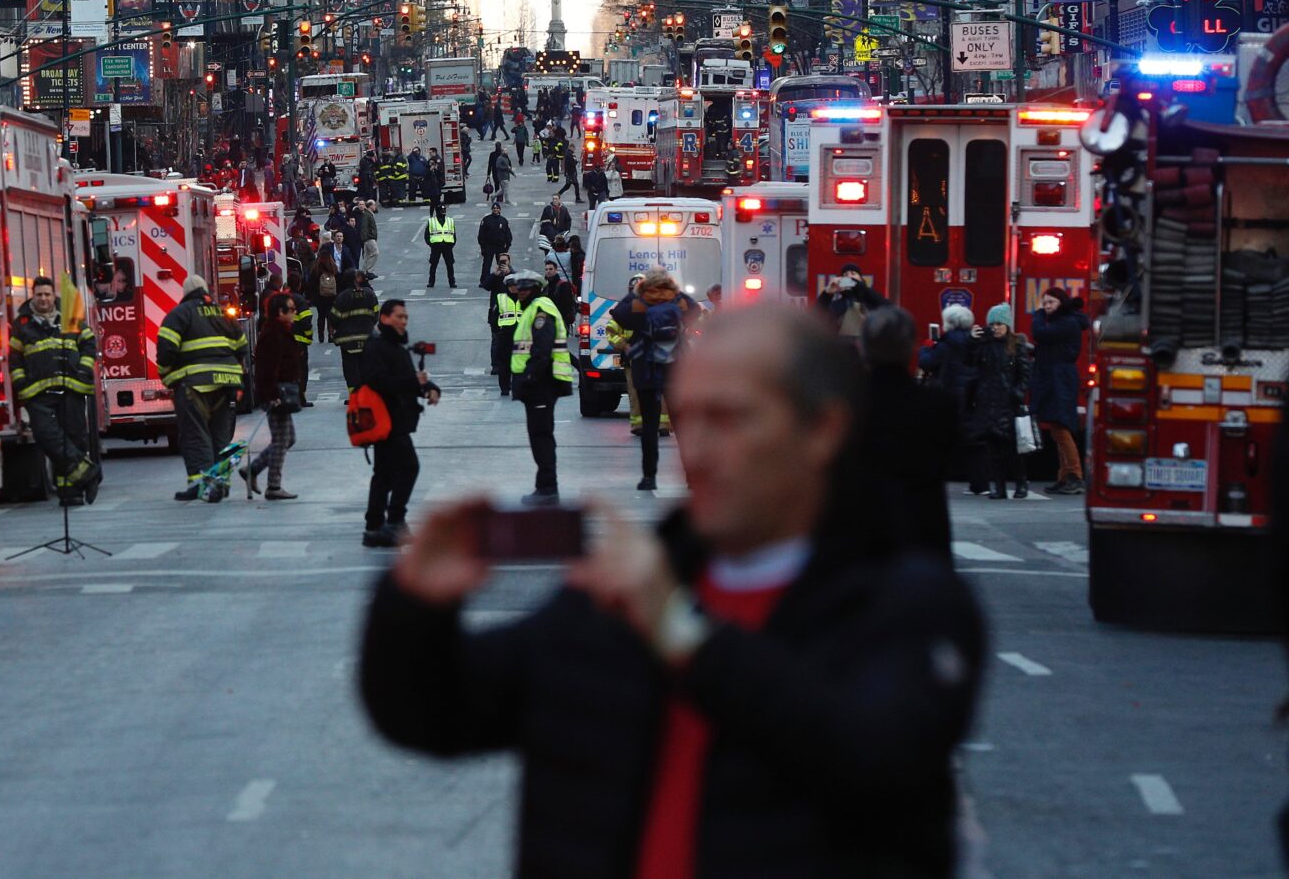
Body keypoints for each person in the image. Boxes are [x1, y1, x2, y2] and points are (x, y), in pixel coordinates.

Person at [360, 305, 986, 878]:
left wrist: (676, 629)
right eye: (686, 417)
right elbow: (434, 712)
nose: (700, 449)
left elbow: (871, 757)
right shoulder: (620, 602)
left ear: (821, 429)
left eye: (730, 418)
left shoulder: (903, 603)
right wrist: (416, 606)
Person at [857, 306, 956, 555]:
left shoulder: (847, 407)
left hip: (862, 534)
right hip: (924, 531)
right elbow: (954, 460)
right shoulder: (940, 405)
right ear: (911, 348)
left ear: (864, 349)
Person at [157, 274, 248, 502]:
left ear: (185, 293)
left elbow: (166, 350)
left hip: (194, 385)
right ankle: (220, 484)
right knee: (220, 437)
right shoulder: (223, 313)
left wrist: (167, 376)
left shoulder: (179, 314)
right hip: (227, 383)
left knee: (195, 435)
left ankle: (202, 487)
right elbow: (242, 347)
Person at [7, 276, 100, 499]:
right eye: (39, 294)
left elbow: (89, 342)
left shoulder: (69, 318)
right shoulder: (21, 325)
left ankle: (70, 491)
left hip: (71, 387)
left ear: (53, 295)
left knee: (74, 437)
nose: (44, 299)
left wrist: (84, 369)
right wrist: (21, 384)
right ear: (33, 296)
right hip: (37, 392)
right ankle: (87, 474)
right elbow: (15, 359)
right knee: (46, 436)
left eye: (47, 294)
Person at [360, 298, 440, 547]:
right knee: (408, 467)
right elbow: (379, 382)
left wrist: (428, 388)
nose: (404, 321)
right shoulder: (377, 347)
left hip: (396, 420)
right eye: (399, 316)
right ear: (384, 318)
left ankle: (374, 527)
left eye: (406, 317)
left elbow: (408, 379)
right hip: (387, 420)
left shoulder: (395, 347)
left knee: (384, 473)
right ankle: (394, 520)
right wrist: (415, 383)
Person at [615, 268, 688, 491]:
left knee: (649, 427)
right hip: (676, 371)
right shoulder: (677, 301)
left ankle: (649, 477)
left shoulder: (640, 305)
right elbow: (694, 312)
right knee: (684, 428)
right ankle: (692, 476)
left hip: (646, 370)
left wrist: (638, 292)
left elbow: (619, 314)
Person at [507, 268, 573, 505]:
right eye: (518, 288)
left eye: (525, 288)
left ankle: (547, 488)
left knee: (541, 436)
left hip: (541, 384)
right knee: (540, 435)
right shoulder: (534, 309)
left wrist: (529, 378)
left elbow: (542, 350)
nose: (520, 292)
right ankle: (544, 486)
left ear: (535, 289)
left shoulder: (540, 310)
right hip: (538, 385)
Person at [919, 304, 988, 496]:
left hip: (949, 396)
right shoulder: (976, 342)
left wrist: (925, 348)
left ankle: (930, 482)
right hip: (971, 396)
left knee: (937, 442)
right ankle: (980, 484)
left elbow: (927, 362)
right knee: (974, 442)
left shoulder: (946, 343)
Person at [1028, 291, 1090, 495]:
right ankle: (1064, 476)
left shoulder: (1066, 322)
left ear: (1061, 303)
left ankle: (1075, 475)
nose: (1046, 306)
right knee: (1057, 428)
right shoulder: (1065, 322)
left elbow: (1040, 334)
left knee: (1061, 429)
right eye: (1044, 302)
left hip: (1059, 379)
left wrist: (1037, 315)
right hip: (1056, 378)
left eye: (1050, 302)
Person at [244, 292, 303, 500]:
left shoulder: (281, 331)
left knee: (289, 438)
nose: (295, 312)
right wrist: (272, 394)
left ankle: (253, 469)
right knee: (281, 440)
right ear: (280, 312)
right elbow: (268, 368)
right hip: (277, 394)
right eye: (291, 309)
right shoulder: (274, 334)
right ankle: (274, 486)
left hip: (279, 392)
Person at [971, 303, 1031, 500]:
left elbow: (1025, 374)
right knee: (992, 447)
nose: (995, 328)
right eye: (992, 324)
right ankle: (998, 486)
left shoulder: (1017, 346)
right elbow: (969, 362)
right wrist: (972, 340)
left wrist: (1018, 393)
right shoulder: (984, 345)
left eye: (999, 324)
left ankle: (1021, 482)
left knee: (1013, 447)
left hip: (1008, 402)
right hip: (988, 401)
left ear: (1007, 325)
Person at [331, 268, 381, 387]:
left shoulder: (341, 297)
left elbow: (334, 318)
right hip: (367, 339)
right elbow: (376, 314)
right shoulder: (370, 294)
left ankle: (354, 397)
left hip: (347, 341)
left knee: (351, 370)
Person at [815, 261, 886, 340]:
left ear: (861, 279)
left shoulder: (871, 303)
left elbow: (888, 308)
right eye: (845, 275)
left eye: (853, 273)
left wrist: (860, 286)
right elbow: (815, 317)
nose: (849, 276)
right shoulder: (836, 305)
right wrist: (827, 294)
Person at [484, 255, 519, 395]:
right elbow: (485, 285)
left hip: (518, 332)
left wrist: (509, 273)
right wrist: (495, 274)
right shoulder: (496, 276)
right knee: (497, 347)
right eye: (501, 261)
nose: (503, 263)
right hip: (502, 326)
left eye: (505, 261)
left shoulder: (514, 276)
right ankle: (496, 367)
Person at [423, 200, 458, 289]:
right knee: (433, 264)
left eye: (444, 211)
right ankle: (431, 282)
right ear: (437, 212)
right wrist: (431, 244)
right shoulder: (432, 221)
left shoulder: (450, 220)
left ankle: (452, 282)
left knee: (450, 265)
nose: (443, 212)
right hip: (436, 247)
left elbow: (453, 234)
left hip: (447, 246)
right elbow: (427, 235)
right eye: (442, 211)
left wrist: (451, 244)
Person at [476, 199, 512, 283]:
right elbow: (481, 233)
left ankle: (502, 280)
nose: (496, 210)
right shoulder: (486, 220)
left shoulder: (503, 220)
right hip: (489, 246)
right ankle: (484, 281)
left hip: (500, 246)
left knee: (502, 264)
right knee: (486, 265)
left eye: (497, 208)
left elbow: (507, 233)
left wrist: (507, 245)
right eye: (494, 208)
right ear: (492, 209)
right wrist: (482, 246)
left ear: (500, 209)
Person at [358, 198, 380, 275]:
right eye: (374, 205)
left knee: (368, 255)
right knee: (375, 252)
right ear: (370, 206)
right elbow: (364, 227)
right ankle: (369, 270)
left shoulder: (368, 214)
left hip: (367, 238)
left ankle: (363, 272)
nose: (375, 207)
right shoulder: (367, 215)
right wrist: (366, 238)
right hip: (369, 238)